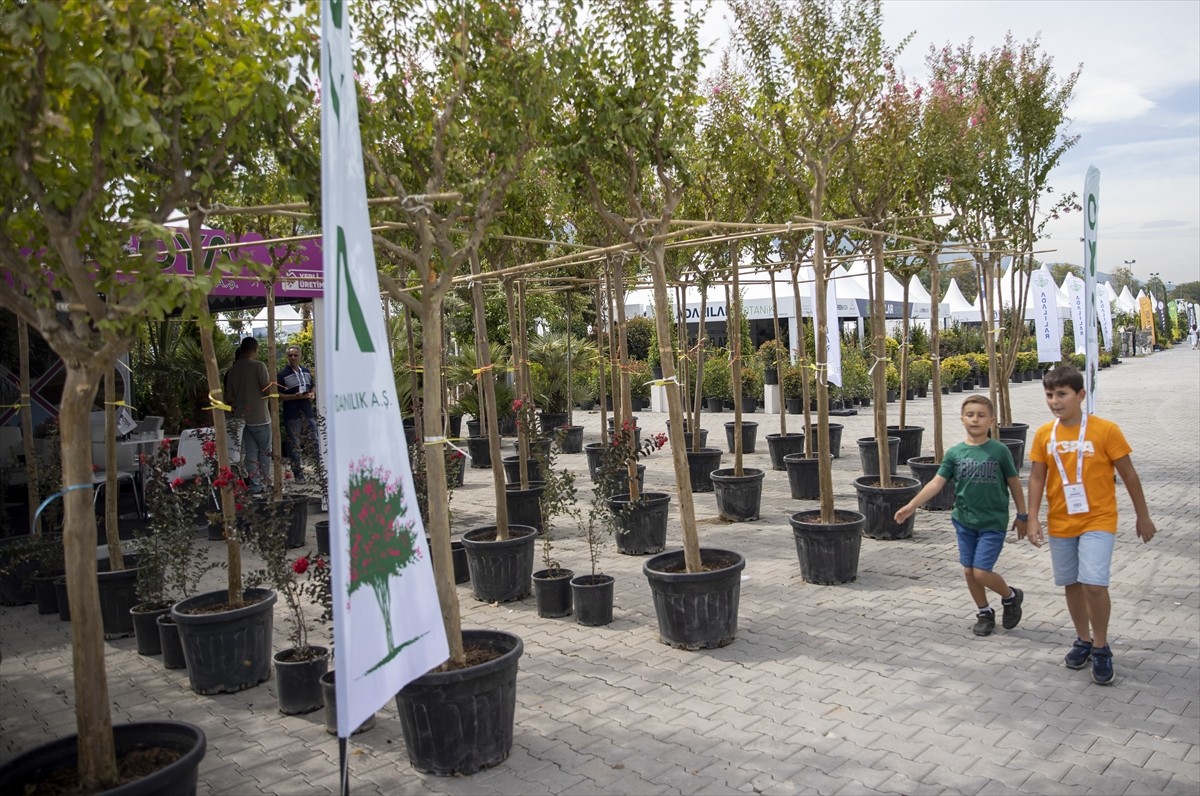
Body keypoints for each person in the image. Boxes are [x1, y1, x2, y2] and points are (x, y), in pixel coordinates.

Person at [1024, 365, 1156, 686]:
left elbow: (1128, 474)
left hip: (1099, 519)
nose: (1055, 401)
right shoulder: (1045, 434)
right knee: (1071, 583)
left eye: (1062, 394)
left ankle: (1100, 646)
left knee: (1094, 583)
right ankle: (1082, 639)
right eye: (1050, 395)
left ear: (1081, 395)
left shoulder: (1105, 430)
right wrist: (1031, 518)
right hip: (1060, 521)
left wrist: (1143, 515)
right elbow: (1038, 476)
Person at [895, 395, 1029, 637]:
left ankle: (1010, 596)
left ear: (991, 420)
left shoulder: (999, 451)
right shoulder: (955, 453)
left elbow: (1014, 484)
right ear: (962, 419)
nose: (975, 419)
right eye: (970, 415)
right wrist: (912, 505)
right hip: (964, 521)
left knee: (981, 571)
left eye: (981, 415)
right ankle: (984, 612)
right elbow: (937, 483)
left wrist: (1023, 515)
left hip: (993, 523)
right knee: (969, 571)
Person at [225, 336, 272, 494]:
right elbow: (266, 389)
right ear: (254, 349)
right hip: (260, 416)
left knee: (250, 453)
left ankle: (255, 484)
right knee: (265, 452)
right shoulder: (259, 366)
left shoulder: (232, 371)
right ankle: (266, 482)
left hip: (241, 418)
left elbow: (229, 397)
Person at [278, 345, 321, 483]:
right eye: (290, 355)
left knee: (315, 440)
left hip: (307, 411)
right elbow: (278, 396)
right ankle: (298, 474)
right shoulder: (282, 374)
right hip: (292, 414)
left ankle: (321, 470)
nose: (293, 358)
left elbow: (312, 385)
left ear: (300, 356)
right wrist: (294, 397)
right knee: (295, 445)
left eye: (295, 355)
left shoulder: (306, 371)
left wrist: (312, 393)